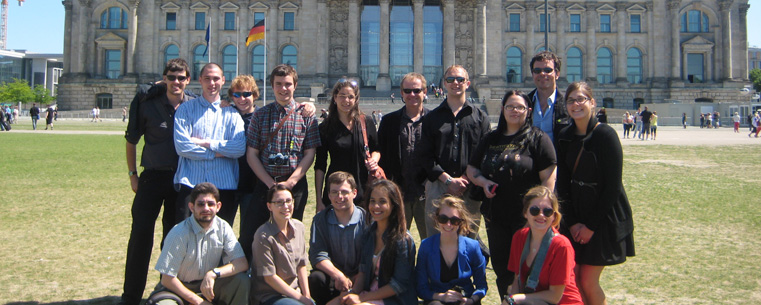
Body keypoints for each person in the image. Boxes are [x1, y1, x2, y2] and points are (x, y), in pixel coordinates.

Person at [466, 90, 556, 299]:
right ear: (503, 109)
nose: (514, 111)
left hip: (528, 219)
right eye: (510, 106)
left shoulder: (538, 139)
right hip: (496, 217)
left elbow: (549, 179)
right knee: (503, 270)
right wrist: (483, 182)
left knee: (530, 271)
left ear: (528, 111)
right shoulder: (491, 138)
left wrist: (540, 212)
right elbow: (472, 168)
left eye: (520, 107)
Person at [121, 58, 197, 305]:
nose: (176, 82)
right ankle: (130, 297)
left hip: (182, 181)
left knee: (174, 240)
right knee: (141, 236)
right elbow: (131, 141)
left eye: (181, 78)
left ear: (188, 79)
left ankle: (168, 292)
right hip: (152, 177)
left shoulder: (194, 105)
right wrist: (133, 174)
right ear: (164, 78)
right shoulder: (146, 102)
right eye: (171, 77)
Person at [556, 82, 635, 305]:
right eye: (571, 100)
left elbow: (613, 186)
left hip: (602, 216)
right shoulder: (564, 136)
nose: (576, 104)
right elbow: (562, 184)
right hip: (575, 214)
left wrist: (590, 226)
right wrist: (571, 223)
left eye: (581, 99)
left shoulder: (606, 135)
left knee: (588, 280)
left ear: (592, 103)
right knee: (574, 280)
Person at [242, 64, 320, 263]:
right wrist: (270, 184)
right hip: (265, 184)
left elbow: (309, 154)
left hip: (295, 186)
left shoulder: (307, 117)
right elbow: (252, 154)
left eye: (287, 84)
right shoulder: (260, 115)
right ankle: (252, 280)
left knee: (291, 237)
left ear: (295, 86)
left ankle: (290, 280)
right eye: (279, 84)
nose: (283, 89)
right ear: (272, 86)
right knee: (250, 234)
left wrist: (290, 184)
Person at [417, 65, 490, 239]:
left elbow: (484, 154)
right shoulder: (431, 118)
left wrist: (464, 179)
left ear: (468, 83)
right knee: (435, 237)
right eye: (450, 79)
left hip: (469, 185)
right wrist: (448, 179)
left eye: (460, 79)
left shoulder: (480, 118)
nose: (455, 83)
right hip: (438, 185)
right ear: (444, 83)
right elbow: (425, 155)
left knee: (467, 239)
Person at [149, 182, 249, 305]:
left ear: (218, 206)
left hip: (208, 286)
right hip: (177, 289)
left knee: (241, 281)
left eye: (210, 204)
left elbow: (241, 263)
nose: (206, 208)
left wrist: (213, 274)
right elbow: (167, 279)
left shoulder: (223, 227)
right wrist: (199, 302)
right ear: (191, 207)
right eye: (200, 204)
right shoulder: (178, 233)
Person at [173, 63, 246, 227]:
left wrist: (206, 143)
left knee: (219, 242)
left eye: (215, 79)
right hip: (190, 183)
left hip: (224, 186)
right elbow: (182, 147)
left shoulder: (232, 114)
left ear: (223, 81)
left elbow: (239, 148)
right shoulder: (185, 110)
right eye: (207, 78)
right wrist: (217, 152)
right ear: (200, 80)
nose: (212, 83)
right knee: (185, 239)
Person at [338, 179, 417, 305]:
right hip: (369, 294)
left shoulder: (402, 240)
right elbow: (363, 272)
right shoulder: (368, 233)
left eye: (382, 202)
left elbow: (398, 285)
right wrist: (352, 294)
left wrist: (362, 298)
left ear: (393, 205)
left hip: (395, 299)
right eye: (372, 201)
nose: (376, 206)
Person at [503, 186, 583, 305]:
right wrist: (511, 301)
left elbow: (555, 296)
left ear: (554, 216)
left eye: (547, 211)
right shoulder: (519, 237)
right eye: (534, 210)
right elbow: (517, 280)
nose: (541, 215)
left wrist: (516, 299)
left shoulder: (561, 245)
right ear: (525, 213)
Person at [378, 72, 430, 240]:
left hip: (426, 194)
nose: (412, 95)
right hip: (398, 193)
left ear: (425, 92)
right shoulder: (389, 121)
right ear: (401, 93)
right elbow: (382, 154)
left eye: (416, 90)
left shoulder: (435, 121)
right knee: (396, 241)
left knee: (431, 242)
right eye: (407, 91)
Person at [315, 78, 380, 211]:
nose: (346, 101)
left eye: (351, 97)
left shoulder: (366, 122)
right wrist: (318, 200)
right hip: (336, 190)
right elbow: (320, 165)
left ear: (356, 99)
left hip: (362, 188)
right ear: (335, 98)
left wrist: (374, 159)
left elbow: (376, 149)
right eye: (342, 96)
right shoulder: (326, 127)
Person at [308, 172, 368, 305]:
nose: (339, 197)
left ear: (355, 193)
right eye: (334, 192)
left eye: (344, 192)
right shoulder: (320, 220)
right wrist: (339, 276)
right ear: (328, 195)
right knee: (316, 278)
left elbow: (371, 255)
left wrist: (359, 277)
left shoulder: (367, 219)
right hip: (333, 279)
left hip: (361, 276)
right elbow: (317, 255)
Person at [415, 195, 487, 305]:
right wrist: (441, 297)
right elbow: (421, 288)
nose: (448, 224)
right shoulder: (426, 246)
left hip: (465, 299)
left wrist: (470, 300)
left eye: (454, 220)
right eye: (443, 219)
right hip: (437, 300)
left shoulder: (473, 246)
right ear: (436, 219)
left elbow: (481, 286)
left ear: (461, 222)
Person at [250, 184, 312, 305]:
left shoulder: (299, 227)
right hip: (270, 296)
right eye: (279, 202)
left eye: (289, 201)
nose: (285, 206)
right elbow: (270, 278)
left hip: (294, 292)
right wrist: (301, 299)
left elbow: (301, 265)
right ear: (269, 206)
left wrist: (307, 296)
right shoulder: (263, 236)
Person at [227, 75, 261, 238]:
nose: (242, 99)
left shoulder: (261, 117)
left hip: (252, 185)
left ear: (254, 95)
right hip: (226, 184)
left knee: (248, 235)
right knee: (221, 234)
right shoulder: (224, 115)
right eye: (237, 94)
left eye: (247, 94)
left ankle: (247, 264)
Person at [528, 51, 570, 144]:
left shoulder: (568, 104)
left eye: (548, 70)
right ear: (532, 74)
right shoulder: (524, 103)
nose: (542, 74)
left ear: (557, 74)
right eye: (537, 71)